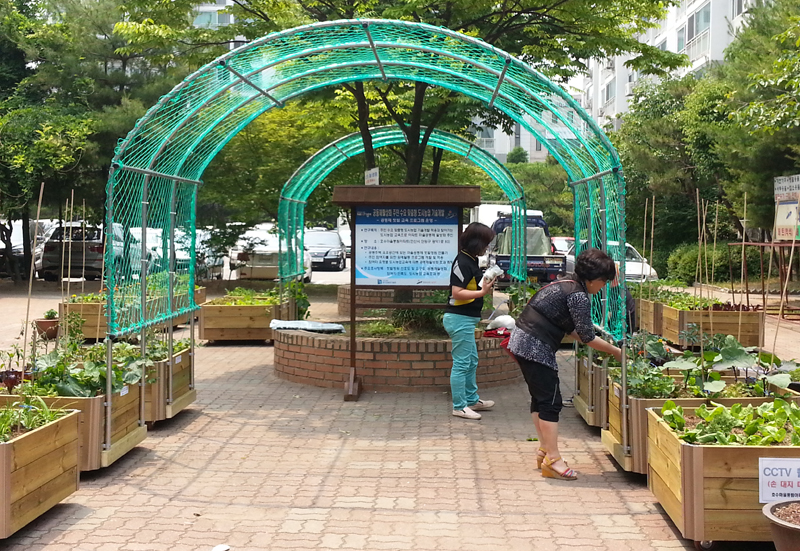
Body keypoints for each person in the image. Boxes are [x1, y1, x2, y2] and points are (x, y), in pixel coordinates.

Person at [508, 248, 623, 480]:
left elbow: (575, 331)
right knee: (551, 402)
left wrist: (611, 349)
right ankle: (554, 460)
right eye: (603, 282)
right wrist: (616, 352)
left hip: (521, 340)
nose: (602, 287)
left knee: (540, 399)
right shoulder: (578, 295)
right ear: (593, 280)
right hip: (534, 346)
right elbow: (588, 336)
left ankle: (545, 449)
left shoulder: (565, 283)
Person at [444, 222, 496, 420]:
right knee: (462, 363)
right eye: (485, 243)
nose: (487, 248)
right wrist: (482, 291)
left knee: (471, 361)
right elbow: (456, 292)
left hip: (466, 319)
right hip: (459, 319)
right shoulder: (462, 262)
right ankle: (459, 406)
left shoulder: (471, 260)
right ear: (476, 242)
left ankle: (471, 399)